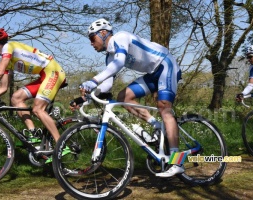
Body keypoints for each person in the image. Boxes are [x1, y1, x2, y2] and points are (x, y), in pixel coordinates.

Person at [78, 18, 182, 177]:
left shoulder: (120, 38)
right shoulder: (110, 56)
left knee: (164, 108)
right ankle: (157, 126)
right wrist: (87, 97)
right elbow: (107, 84)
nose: (91, 43)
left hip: (165, 64)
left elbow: (119, 63)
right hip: (153, 73)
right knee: (123, 97)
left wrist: (93, 81)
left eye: (92, 38)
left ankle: (177, 161)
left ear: (104, 33)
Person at [0, 28, 69, 162]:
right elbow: (3, 87)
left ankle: (61, 146)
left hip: (53, 72)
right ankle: (34, 134)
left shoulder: (8, 47)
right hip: (44, 75)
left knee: (38, 108)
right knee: (16, 98)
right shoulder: (7, 61)